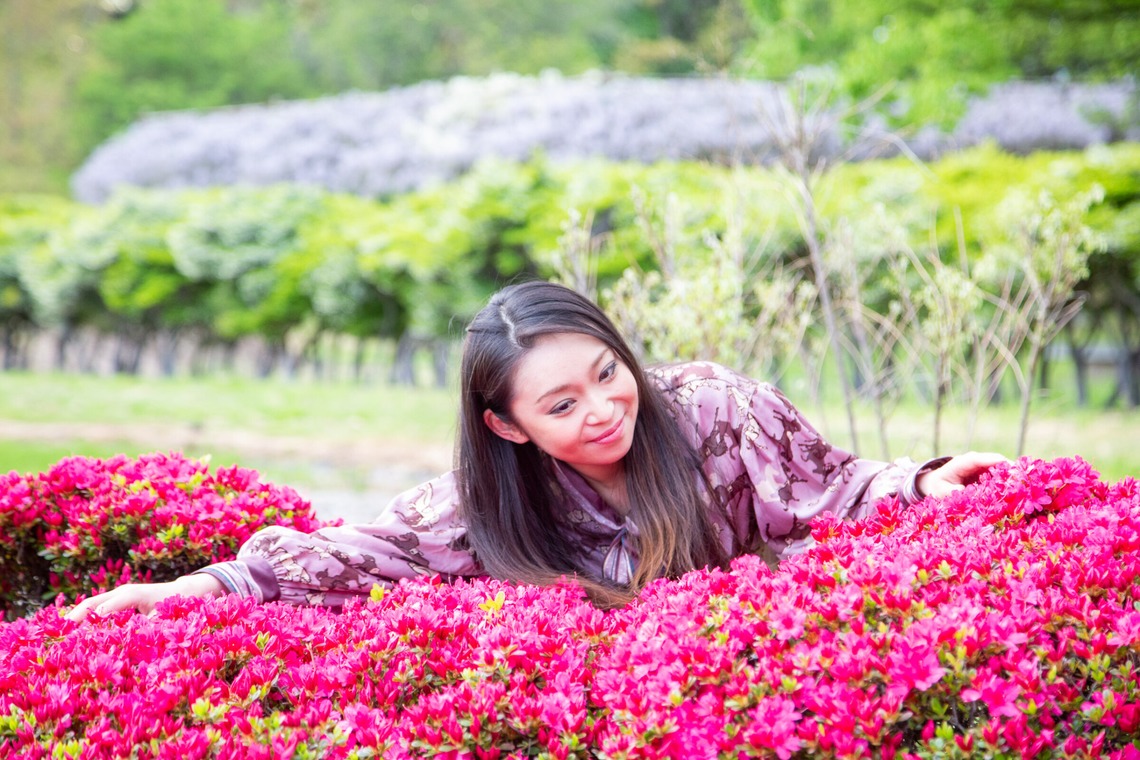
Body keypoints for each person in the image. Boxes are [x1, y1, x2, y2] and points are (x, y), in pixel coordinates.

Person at [67, 280, 1004, 619]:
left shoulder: (715, 408)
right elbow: (353, 554)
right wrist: (188, 591)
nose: (603, 409)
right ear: (507, 426)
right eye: (561, 404)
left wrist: (924, 483)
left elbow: (832, 487)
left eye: (607, 372)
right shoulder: (482, 506)